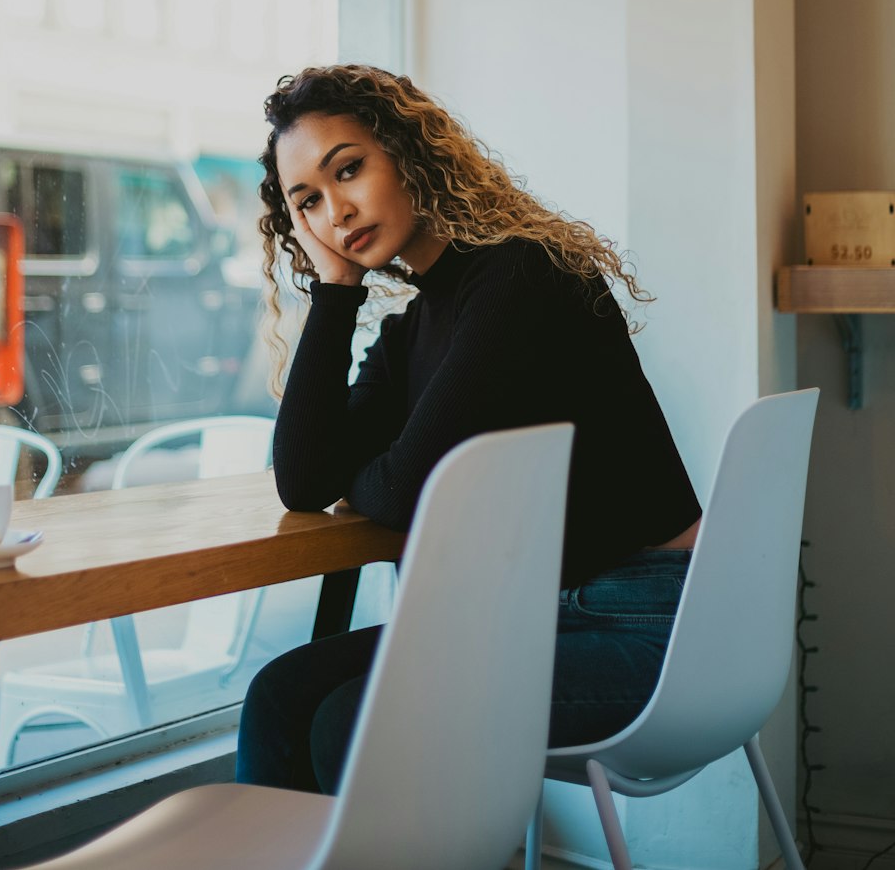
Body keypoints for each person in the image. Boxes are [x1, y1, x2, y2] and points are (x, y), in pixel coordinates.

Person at [236, 63, 701, 795]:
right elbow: (304, 481)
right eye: (310, 202)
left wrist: (382, 475)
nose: (338, 212)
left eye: (349, 170)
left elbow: (399, 492)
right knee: (280, 697)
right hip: (536, 617)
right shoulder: (416, 324)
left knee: (350, 720)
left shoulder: (522, 277)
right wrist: (335, 290)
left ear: (409, 150)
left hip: (651, 624)